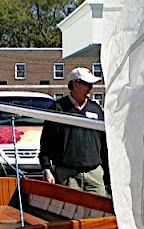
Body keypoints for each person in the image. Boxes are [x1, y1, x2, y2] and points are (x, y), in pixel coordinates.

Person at [39, 67, 109, 196]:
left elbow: (104, 143)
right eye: (87, 84)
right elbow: (46, 142)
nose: (91, 88)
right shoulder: (57, 108)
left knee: (99, 212)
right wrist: (46, 168)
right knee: (69, 212)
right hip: (67, 174)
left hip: (94, 173)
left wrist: (108, 175)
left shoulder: (96, 109)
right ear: (75, 84)